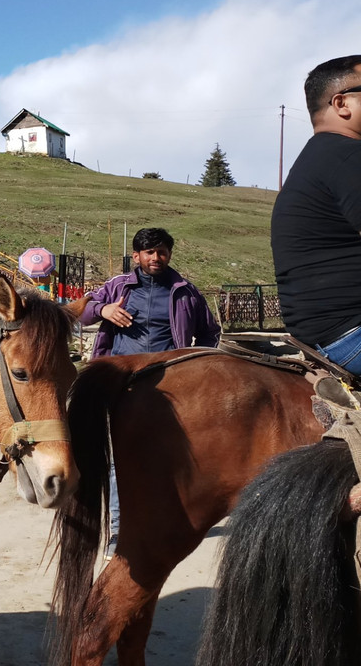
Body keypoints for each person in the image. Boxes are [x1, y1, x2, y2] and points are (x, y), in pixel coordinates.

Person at [79, 227, 221, 556]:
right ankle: (118, 528)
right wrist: (103, 310)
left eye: (162, 252)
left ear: (169, 254)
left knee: (168, 454)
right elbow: (82, 311)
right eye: (149, 252)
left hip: (169, 386)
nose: (156, 258)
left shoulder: (185, 292)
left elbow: (210, 333)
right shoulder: (118, 287)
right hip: (121, 382)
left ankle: (161, 522)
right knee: (118, 458)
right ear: (137, 256)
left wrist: (193, 365)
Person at [271, 55, 361, 379]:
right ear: (341, 104)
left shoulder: (317, 157)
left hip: (322, 335)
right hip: (351, 334)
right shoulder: (348, 156)